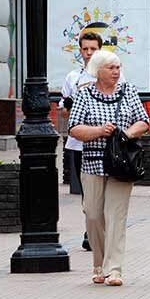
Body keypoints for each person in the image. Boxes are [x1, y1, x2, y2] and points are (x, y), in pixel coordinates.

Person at [67, 50, 150, 286]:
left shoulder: (128, 92)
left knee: (116, 216)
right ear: (98, 70)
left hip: (121, 164)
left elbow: (144, 121)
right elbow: (74, 128)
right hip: (93, 163)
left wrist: (126, 134)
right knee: (93, 215)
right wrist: (99, 131)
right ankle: (99, 262)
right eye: (111, 68)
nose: (116, 72)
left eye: (118, 67)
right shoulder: (85, 94)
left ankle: (114, 269)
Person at [61, 30, 107, 252]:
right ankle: (91, 229)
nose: (89, 53)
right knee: (87, 192)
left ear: (100, 50)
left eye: (93, 49)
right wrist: (70, 106)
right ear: (80, 51)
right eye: (85, 49)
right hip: (79, 144)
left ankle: (103, 229)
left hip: (105, 144)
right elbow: (64, 113)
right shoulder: (73, 77)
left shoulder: (109, 74)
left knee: (106, 188)